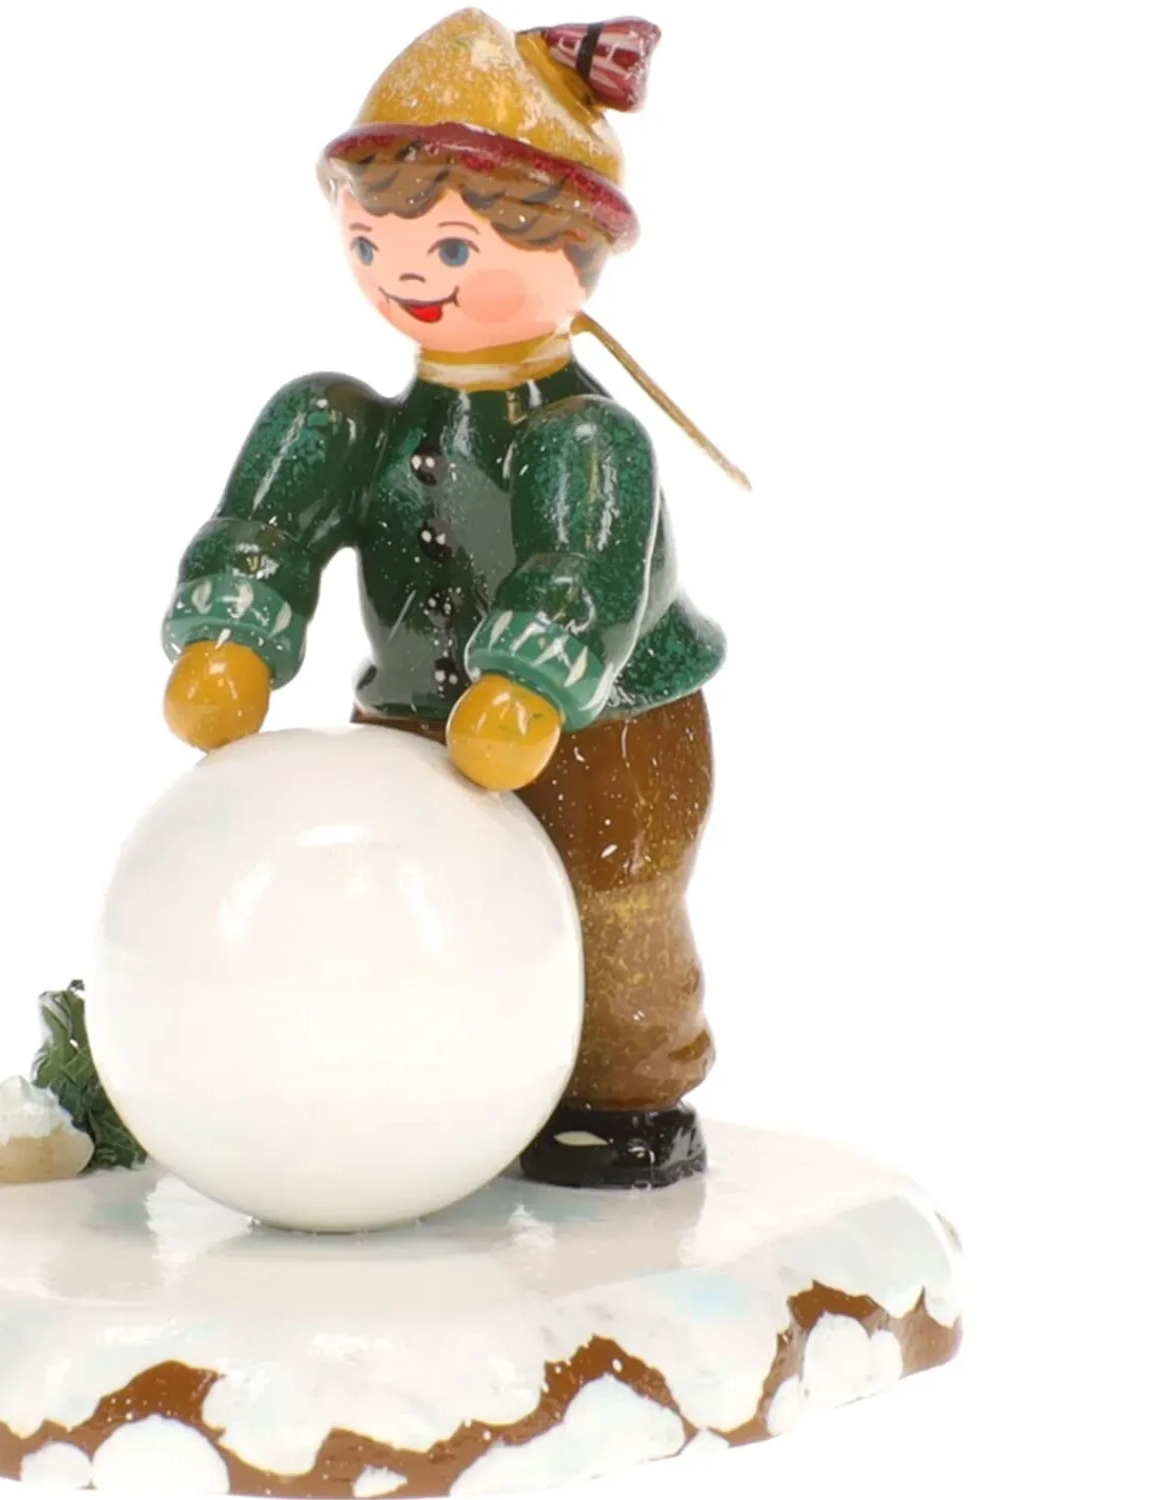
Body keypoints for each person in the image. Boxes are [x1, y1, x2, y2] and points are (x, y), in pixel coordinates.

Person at [160, 10, 746, 1189]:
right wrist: (234, 630)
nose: (407, 275)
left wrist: (529, 681)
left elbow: (583, 568)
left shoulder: (584, 439)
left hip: (605, 726)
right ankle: (434, 1103)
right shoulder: (348, 419)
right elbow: (272, 522)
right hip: (411, 726)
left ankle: (625, 1097)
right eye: (370, 244)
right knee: (409, 915)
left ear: (576, 255)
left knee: (611, 900)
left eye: (452, 249)